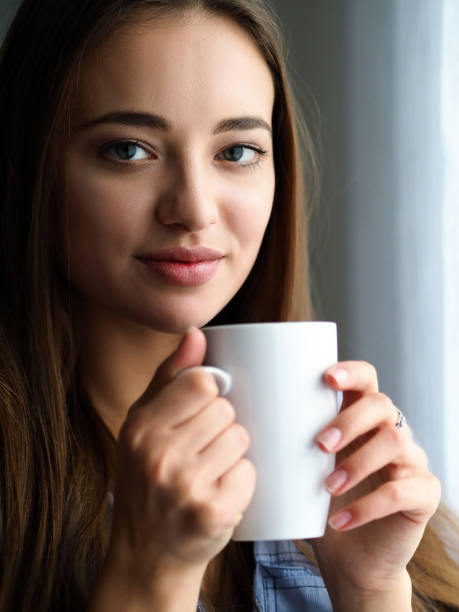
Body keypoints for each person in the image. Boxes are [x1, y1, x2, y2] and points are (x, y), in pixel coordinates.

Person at [0, 0, 458, 610]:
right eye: (129, 150)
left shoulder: (346, 501)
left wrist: (371, 589)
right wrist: (147, 577)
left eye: (237, 151)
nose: (194, 208)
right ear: (34, 166)